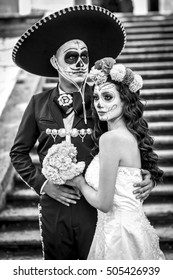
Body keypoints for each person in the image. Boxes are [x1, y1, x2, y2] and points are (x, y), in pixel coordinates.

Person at [10, 5, 154, 260]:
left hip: (94, 206)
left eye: (84, 57)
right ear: (55, 61)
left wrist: (148, 175)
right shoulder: (37, 102)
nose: (80, 63)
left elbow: (132, 136)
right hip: (54, 206)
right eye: (71, 57)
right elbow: (18, 152)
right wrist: (43, 185)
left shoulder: (103, 100)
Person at [68, 57, 165, 260]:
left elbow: (104, 203)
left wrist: (79, 183)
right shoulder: (129, 136)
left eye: (108, 97)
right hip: (130, 226)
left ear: (125, 101)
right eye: (96, 98)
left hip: (119, 233)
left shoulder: (110, 139)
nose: (99, 104)